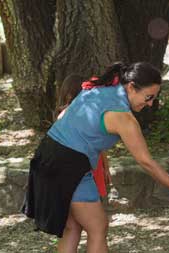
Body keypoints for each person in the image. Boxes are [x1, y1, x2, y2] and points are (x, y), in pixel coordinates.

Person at [22, 62, 169, 253]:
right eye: (149, 97)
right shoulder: (123, 117)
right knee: (98, 227)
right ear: (131, 87)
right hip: (69, 165)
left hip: (46, 152)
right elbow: (146, 162)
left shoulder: (99, 89)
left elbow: (63, 117)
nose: (151, 103)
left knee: (73, 227)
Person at [54, 74, 112, 251]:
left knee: (72, 228)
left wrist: (105, 167)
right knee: (97, 228)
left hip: (65, 174)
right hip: (82, 175)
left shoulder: (63, 115)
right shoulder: (81, 115)